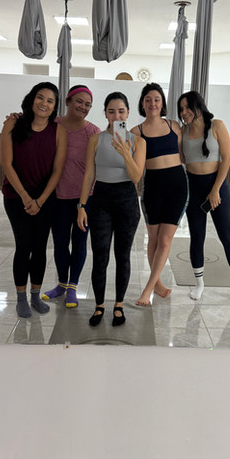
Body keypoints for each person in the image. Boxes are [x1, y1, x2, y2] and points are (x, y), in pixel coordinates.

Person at [178, 90, 230, 304]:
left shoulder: (217, 125)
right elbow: (182, 159)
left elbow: (227, 159)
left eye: (187, 107)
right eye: (181, 109)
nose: (184, 112)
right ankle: (199, 284)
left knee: (227, 236)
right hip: (193, 188)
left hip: (217, 187)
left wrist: (215, 190)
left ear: (198, 106)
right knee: (197, 237)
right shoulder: (183, 131)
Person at [77, 92, 145, 326]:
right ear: (105, 113)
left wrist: (125, 151)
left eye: (121, 111)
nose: (117, 116)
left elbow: (136, 177)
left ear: (128, 113)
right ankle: (99, 305)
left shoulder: (138, 142)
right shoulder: (96, 140)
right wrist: (81, 205)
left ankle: (118, 304)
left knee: (122, 255)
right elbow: (89, 175)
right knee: (100, 255)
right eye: (112, 111)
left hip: (127, 201)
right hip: (101, 201)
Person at [0, 82, 67, 318]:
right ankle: (21, 298)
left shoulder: (58, 131)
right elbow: (7, 164)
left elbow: (57, 170)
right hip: (16, 197)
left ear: (54, 107)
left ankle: (35, 296)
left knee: (40, 247)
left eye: (50, 101)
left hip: (45, 199)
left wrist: (40, 200)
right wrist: (26, 197)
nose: (44, 103)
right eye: (40, 97)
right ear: (32, 99)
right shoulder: (12, 124)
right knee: (23, 245)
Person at [41, 85, 100, 307]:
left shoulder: (93, 132)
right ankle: (61, 284)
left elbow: (96, 167)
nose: (83, 107)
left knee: (79, 242)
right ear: (67, 101)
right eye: (79, 102)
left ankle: (73, 286)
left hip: (85, 198)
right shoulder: (52, 125)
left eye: (88, 105)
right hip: (57, 196)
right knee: (60, 243)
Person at [131, 83, 188, 306]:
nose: (152, 103)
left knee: (165, 240)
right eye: (148, 100)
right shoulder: (136, 132)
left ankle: (148, 289)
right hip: (152, 188)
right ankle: (158, 284)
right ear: (142, 104)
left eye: (156, 99)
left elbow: (184, 154)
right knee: (153, 239)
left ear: (162, 102)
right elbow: (122, 149)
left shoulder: (174, 126)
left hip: (177, 187)